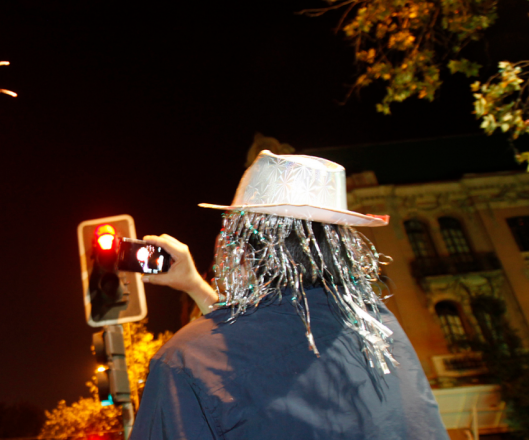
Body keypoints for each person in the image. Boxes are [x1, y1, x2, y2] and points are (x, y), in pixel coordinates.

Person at [130, 150, 448, 439]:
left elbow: (242, 350)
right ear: (339, 244)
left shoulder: (184, 360)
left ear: (237, 246)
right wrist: (194, 286)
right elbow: (276, 338)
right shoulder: (379, 329)